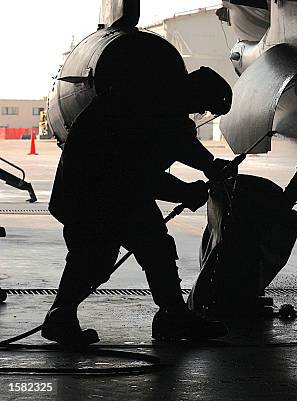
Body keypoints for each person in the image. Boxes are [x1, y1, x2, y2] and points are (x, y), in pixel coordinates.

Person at [42, 66, 233, 345]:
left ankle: (172, 316)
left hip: (110, 191)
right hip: (93, 193)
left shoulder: (154, 97)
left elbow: (176, 141)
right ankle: (61, 316)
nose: (200, 112)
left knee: (153, 247)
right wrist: (185, 192)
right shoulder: (144, 105)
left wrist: (209, 165)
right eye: (203, 106)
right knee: (96, 255)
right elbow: (136, 172)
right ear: (193, 92)